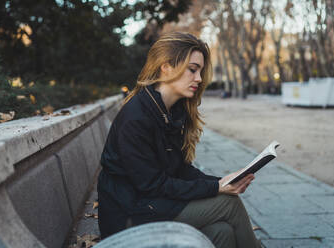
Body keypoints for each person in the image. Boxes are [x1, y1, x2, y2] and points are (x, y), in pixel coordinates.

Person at [97, 32, 260, 248]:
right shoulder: (137, 117)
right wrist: (216, 189)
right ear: (166, 66)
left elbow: (181, 170)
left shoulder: (170, 112)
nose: (199, 79)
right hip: (129, 218)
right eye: (192, 69)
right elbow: (154, 185)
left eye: (200, 71)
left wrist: (221, 182)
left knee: (222, 232)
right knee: (229, 204)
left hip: (151, 206)